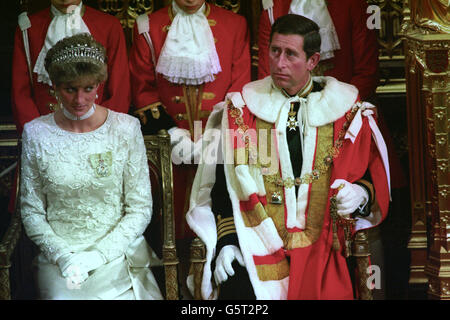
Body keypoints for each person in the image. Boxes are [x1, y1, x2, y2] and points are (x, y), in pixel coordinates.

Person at [186, 14, 391, 300]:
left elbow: (367, 176)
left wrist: (361, 194)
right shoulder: (240, 109)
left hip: (324, 244)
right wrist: (229, 242)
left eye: (291, 54)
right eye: (274, 51)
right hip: (256, 240)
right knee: (237, 291)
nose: (279, 63)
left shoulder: (346, 110)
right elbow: (224, 189)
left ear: (313, 60)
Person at [20, 33, 162, 300]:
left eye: (88, 88)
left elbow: (140, 208)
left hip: (116, 255)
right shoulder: (35, 133)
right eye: (69, 89)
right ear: (54, 85)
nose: (79, 99)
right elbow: (31, 211)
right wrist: (63, 257)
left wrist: (99, 255)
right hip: (60, 260)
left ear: (99, 83)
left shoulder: (126, 129)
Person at [128, 0, 251, 240]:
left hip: (219, 143)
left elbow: (240, 85)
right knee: (170, 229)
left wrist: (216, 132)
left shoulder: (235, 24)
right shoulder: (146, 26)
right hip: (168, 146)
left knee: (219, 224)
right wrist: (171, 133)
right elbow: (141, 87)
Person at [12, 0, 130, 134]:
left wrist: (103, 130)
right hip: (45, 133)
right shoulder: (28, 28)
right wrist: (37, 133)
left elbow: (119, 87)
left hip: (98, 131)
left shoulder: (109, 25)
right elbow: (21, 91)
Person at [258, 0, 379, 101]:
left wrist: (339, 108)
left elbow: (367, 72)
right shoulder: (272, 8)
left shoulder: (355, 4)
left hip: (343, 106)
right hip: (285, 107)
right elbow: (267, 73)